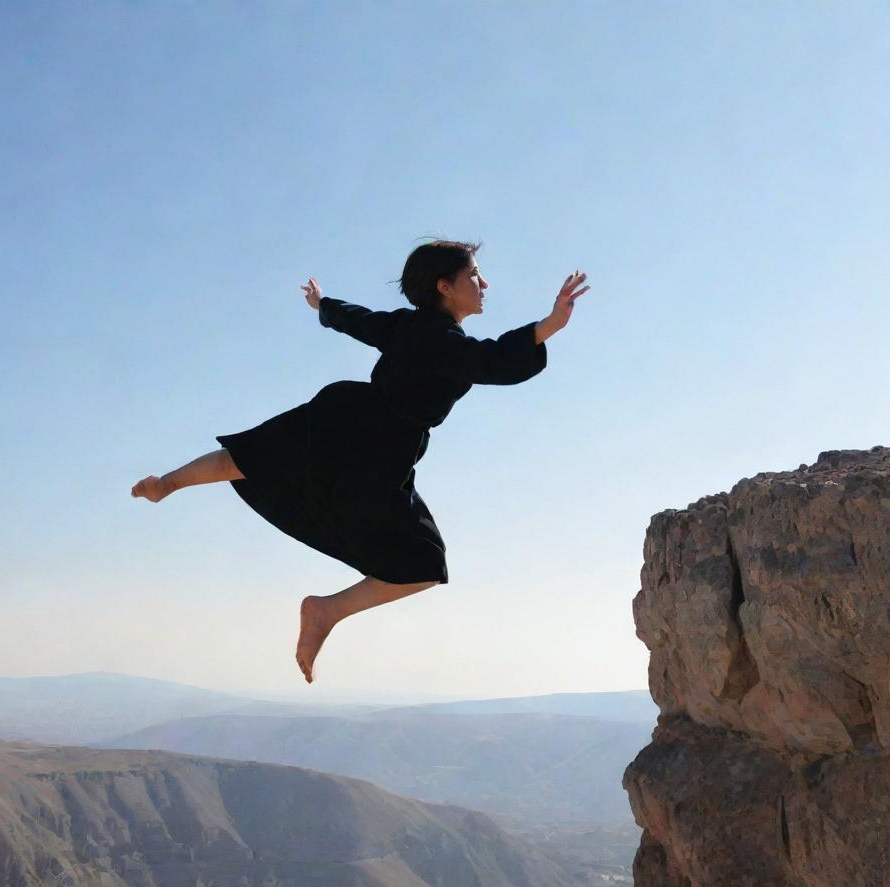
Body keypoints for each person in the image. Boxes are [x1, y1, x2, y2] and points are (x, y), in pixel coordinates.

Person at [132, 240, 589, 683]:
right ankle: (326, 610)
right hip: (380, 447)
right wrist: (549, 325)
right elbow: (490, 360)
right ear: (444, 287)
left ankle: (167, 485)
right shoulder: (443, 341)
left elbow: (361, 321)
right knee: (423, 563)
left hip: (353, 422)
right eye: (473, 274)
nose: (484, 282)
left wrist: (323, 305)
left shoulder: (412, 328)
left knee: (248, 458)